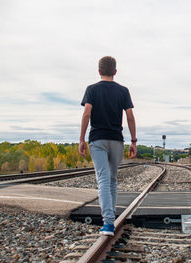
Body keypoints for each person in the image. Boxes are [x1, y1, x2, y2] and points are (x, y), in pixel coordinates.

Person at [78, 56, 137, 236]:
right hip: (116, 139)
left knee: (103, 179)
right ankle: (110, 219)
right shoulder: (123, 91)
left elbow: (87, 113)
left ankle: (108, 222)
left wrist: (81, 139)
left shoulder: (92, 89)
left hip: (97, 139)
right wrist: (134, 141)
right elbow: (130, 117)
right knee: (111, 179)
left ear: (99, 71)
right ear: (115, 72)